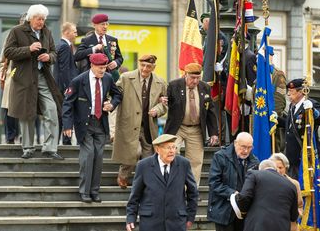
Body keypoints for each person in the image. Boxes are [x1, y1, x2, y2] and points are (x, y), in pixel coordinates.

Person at [4, 4, 63, 160]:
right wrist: (28, 49)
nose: (41, 22)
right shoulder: (16, 31)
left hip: (43, 77)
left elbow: (54, 53)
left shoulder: (47, 32)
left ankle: (50, 148)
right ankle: (28, 148)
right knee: (26, 114)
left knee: (51, 110)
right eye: (38, 19)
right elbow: (8, 52)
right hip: (24, 78)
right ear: (30, 19)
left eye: (43, 19)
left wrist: (49, 57)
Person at [62, 53, 122, 203]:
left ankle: (95, 191)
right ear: (92, 66)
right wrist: (67, 125)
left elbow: (117, 95)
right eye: (100, 68)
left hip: (101, 123)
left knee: (99, 157)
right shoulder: (78, 81)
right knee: (88, 156)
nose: (103, 71)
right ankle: (84, 191)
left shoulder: (108, 78)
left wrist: (112, 104)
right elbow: (67, 103)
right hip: (85, 124)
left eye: (104, 68)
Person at [112, 54, 167, 189]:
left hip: (149, 126)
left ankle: (143, 183)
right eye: (143, 65)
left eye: (149, 66)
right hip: (129, 124)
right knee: (133, 152)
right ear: (139, 64)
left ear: (153, 67)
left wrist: (157, 109)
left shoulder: (161, 82)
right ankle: (123, 176)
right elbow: (115, 95)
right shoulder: (125, 78)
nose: (145, 69)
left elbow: (165, 103)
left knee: (148, 157)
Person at [126, 134, 198, 231]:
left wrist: (190, 217)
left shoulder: (183, 164)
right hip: (151, 223)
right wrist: (131, 217)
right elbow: (135, 196)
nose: (172, 151)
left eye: (174, 147)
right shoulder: (143, 166)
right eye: (168, 148)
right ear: (157, 149)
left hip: (176, 222)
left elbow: (193, 192)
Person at [164, 62, 218, 187]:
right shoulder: (174, 85)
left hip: (196, 129)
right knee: (172, 155)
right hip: (178, 128)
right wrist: (163, 101)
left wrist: (213, 133)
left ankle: (192, 191)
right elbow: (166, 101)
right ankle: (175, 187)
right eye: (192, 78)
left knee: (195, 161)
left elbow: (211, 111)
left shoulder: (205, 87)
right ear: (185, 75)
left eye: (198, 78)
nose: (195, 81)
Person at [207, 132, 259, 231]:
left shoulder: (254, 162)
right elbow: (214, 182)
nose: (246, 151)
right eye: (243, 147)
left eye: (249, 147)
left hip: (244, 212)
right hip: (223, 210)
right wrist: (232, 193)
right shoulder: (220, 156)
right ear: (235, 143)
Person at [230, 159, 299, 231]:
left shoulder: (254, 174)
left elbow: (244, 197)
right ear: (275, 169)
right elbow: (294, 216)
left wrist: (242, 212)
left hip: (257, 226)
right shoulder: (291, 185)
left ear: (260, 169)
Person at [278, 78, 320, 179]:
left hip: (302, 155)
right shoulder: (292, 106)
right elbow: (291, 125)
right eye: (288, 91)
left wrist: (312, 109)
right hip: (290, 156)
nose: (288, 94)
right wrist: (277, 120)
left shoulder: (311, 104)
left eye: (291, 91)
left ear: (300, 92)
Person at [201, 12, 229, 146]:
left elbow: (220, 56)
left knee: (218, 110)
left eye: (204, 22)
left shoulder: (219, 37)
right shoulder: (208, 36)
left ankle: (220, 137)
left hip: (218, 79)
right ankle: (213, 136)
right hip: (209, 78)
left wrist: (217, 68)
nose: (203, 25)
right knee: (210, 108)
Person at [0, 13, 27, 144]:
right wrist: (3, 75)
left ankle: (24, 137)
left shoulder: (37, 36)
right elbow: (2, 60)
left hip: (28, 78)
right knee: (9, 108)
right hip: (12, 76)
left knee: (26, 109)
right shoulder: (11, 36)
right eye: (23, 22)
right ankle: (10, 137)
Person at [74, 13, 123, 80]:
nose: (105, 27)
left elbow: (120, 58)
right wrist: (93, 49)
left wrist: (116, 62)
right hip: (93, 77)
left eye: (107, 24)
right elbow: (77, 56)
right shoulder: (87, 40)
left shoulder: (113, 40)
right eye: (102, 24)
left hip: (110, 78)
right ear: (94, 25)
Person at [53, 22, 78, 145]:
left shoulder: (64, 45)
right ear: (67, 32)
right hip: (64, 88)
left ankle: (62, 142)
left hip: (62, 88)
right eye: (74, 31)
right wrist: (68, 88)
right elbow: (64, 70)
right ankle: (65, 143)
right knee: (65, 114)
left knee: (62, 115)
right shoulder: (64, 46)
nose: (76, 34)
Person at [269, 153, 303, 231]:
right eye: (275, 168)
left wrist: (295, 214)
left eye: (281, 167)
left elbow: (300, 206)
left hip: (289, 225)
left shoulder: (294, 184)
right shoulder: (265, 182)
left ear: (286, 168)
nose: (278, 170)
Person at [270, 52, 287, 152]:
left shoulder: (277, 74)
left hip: (272, 121)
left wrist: (273, 116)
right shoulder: (261, 75)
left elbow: (279, 100)